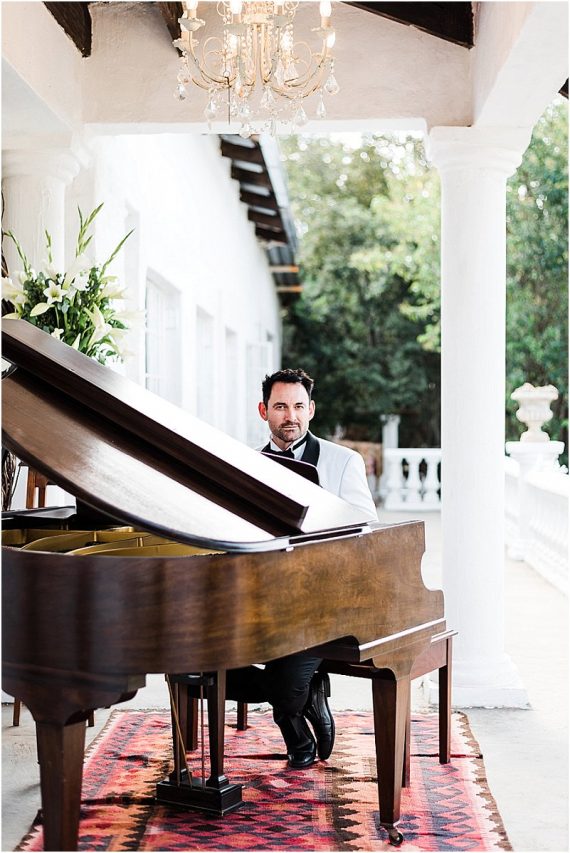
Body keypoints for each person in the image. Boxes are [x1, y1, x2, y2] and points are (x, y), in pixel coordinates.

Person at [226, 368, 377, 770]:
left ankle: (295, 716)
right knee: (201, 661)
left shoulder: (343, 461)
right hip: (262, 594)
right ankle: (307, 694)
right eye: (280, 406)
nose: (289, 416)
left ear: (311, 410)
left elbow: (366, 528)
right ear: (264, 411)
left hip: (323, 601)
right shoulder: (248, 463)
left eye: (297, 406)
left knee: (284, 683)